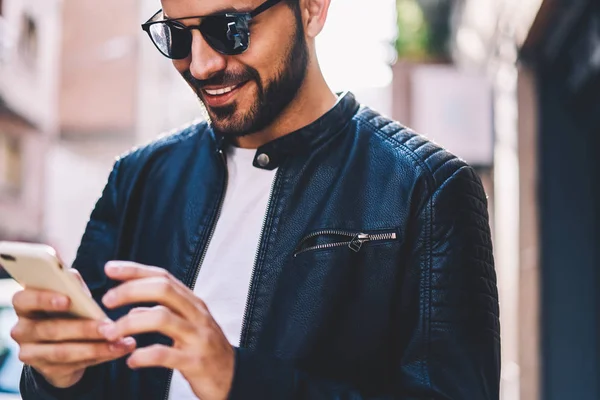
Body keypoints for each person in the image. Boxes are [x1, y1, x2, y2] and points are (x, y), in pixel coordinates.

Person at [12, 0, 501, 398]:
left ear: (311, 9)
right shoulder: (138, 179)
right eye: (178, 36)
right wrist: (56, 376)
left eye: (231, 28)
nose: (201, 64)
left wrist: (237, 380)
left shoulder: (427, 189)